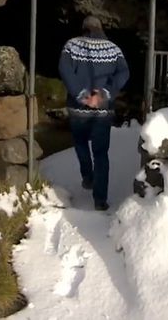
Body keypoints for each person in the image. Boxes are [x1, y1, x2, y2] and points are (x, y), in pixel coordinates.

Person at [58, 16, 130, 211]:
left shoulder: (71, 45)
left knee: (80, 143)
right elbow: (124, 73)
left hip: (77, 108)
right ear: (101, 28)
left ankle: (87, 177)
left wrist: (82, 96)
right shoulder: (113, 49)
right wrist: (105, 94)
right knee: (101, 153)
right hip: (102, 109)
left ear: (83, 28)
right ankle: (100, 200)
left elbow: (65, 70)